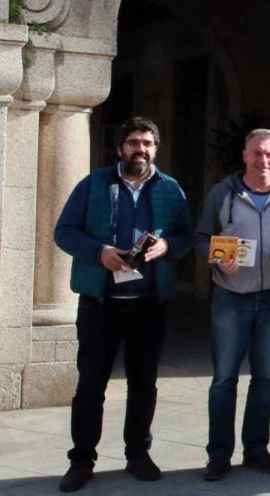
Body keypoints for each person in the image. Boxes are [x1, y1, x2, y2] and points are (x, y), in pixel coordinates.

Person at [54, 117, 193, 492]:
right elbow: (63, 231)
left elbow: (186, 236)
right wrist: (99, 252)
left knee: (144, 383)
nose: (141, 149)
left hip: (148, 304)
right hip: (101, 303)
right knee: (90, 385)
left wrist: (168, 247)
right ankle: (82, 460)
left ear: (155, 149)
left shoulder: (170, 189)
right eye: (134, 142)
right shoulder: (93, 184)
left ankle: (137, 454)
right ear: (120, 149)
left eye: (148, 143)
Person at [196, 128, 270, 480]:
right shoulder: (222, 194)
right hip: (231, 296)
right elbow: (201, 238)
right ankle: (218, 456)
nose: (263, 160)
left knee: (266, 379)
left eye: (269, 155)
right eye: (257, 153)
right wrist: (216, 259)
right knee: (224, 380)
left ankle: (257, 450)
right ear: (245, 155)